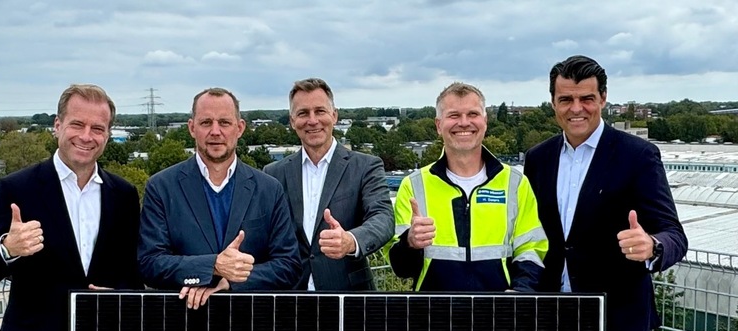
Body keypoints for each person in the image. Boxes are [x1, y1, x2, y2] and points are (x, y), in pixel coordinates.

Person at [523, 55, 687, 331]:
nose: (576, 109)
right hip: (552, 317)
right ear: (553, 102)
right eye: (566, 99)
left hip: (614, 321)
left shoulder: (637, 155)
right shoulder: (538, 158)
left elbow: (674, 234)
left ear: (603, 99)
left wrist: (652, 247)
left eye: (587, 98)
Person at [0, 84, 143, 331]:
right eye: (77, 124)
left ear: (107, 134)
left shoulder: (124, 195)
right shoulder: (17, 188)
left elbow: (133, 273)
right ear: (58, 125)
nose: (86, 136)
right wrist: (7, 248)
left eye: (97, 128)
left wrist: (121, 293)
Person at [138, 87, 301, 307]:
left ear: (240, 128)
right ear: (192, 128)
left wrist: (230, 281)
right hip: (183, 323)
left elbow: (289, 265)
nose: (215, 131)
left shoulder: (269, 189)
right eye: (206, 123)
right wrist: (212, 267)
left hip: (251, 325)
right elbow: (149, 264)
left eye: (224, 122)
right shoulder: (161, 187)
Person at [386, 82, 547, 292]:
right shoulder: (414, 185)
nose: (464, 123)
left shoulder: (515, 183)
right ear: (438, 125)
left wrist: (520, 292)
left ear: (485, 121)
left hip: (499, 314)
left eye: (472, 114)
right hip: (434, 315)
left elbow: (531, 249)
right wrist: (410, 243)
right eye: (454, 115)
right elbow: (401, 268)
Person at [264, 78, 393, 291]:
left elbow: (383, 218)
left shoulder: (365, 166)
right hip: (292, 297)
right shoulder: (274, 173)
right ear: (292, 121)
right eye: (303, 113)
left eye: (320, 111)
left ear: (334, 115)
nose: (312, 120)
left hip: (349, 297)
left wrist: (351, 240)